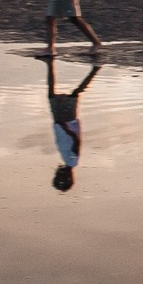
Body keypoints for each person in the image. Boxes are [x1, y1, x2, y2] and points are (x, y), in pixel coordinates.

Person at [47, 55, 100, 191]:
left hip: (61, 121)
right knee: (72, 94)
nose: (55, 174)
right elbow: (76, 142)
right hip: (66, 121)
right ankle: (95, 69)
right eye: (58, 177)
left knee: (60, 94)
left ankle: (50, 64)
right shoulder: (72, 161)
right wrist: (66, 128)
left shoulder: (68, 161)